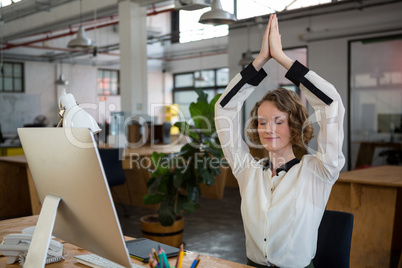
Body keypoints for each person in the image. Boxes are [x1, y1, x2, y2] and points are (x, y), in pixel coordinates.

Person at [215, 14, 345, 268]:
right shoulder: (247, 172)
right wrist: (259, 61)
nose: (267, 129)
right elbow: (223, 111)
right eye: (262, 122)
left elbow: (332, 104)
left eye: (278, 121)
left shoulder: (319, 172)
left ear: (295, 125)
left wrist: (283, 60)